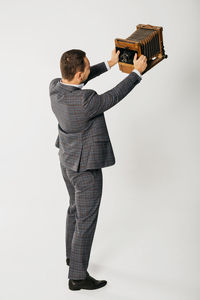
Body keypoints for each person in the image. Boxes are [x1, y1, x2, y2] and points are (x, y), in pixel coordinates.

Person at [49, 48, 147, 291]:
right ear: (81, 74)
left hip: (67, 160)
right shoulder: (86, 100)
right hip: (85, 167)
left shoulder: (54, 87)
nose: (89, 71)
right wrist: (136, 72)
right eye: (88, 68)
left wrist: (110, 63)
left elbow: (79, 79)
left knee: (74, 209)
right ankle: (78, 276)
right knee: (86, 219)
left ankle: (73, 257)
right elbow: (112, 97)